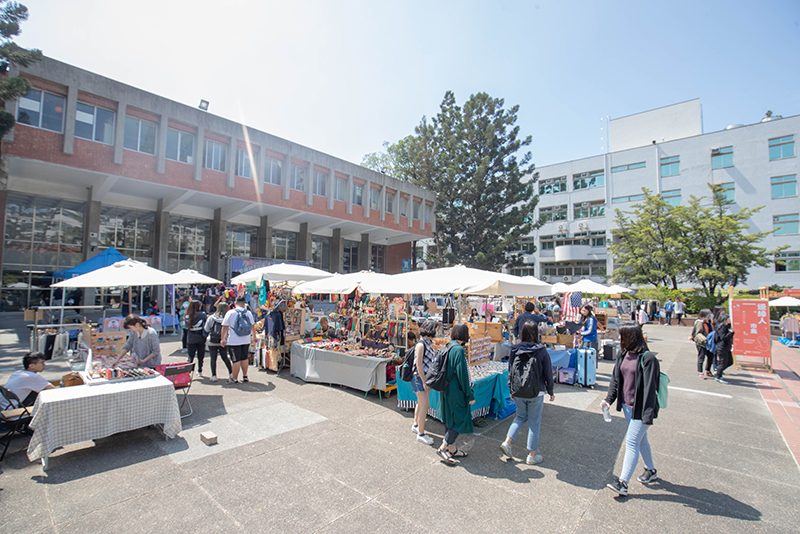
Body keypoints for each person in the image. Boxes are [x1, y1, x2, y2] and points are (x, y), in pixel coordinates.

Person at [602, 322, 660, 496]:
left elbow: (651, 390)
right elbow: (615, 380)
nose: (619, 338)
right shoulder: (623, 354)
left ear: (631, 337)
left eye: (622, 335)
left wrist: (648, 416)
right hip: (627, 407)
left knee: (632, 443)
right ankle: (651, 470)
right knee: (641, 441)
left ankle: (623, 483)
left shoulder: (648, 359)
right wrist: (608, 400)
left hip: (641, 410)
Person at [500, 322, 555, 465]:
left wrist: (511, 388)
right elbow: (548, 372)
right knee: (534, 423)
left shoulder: (514, 349)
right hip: (536, 391)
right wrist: (551, 391)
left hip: (518, 390)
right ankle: (531, 455)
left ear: (522, 333)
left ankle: (507, 443)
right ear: (536, 333)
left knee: (520, 417)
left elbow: (510, 370)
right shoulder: (541, 350)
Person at [437, 323, 475, 465]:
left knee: (451, 419)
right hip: (456, 391)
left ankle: (452, 448)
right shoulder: (458, 349)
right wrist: (469, 394)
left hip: (447, 389)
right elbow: (463, 376)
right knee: (460, 419)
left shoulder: (449, 345)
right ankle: (444, 447)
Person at [411, 318, 438, 446]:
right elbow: (418, 365)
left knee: (421, 404)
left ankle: (416, 425)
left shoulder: (427, 342)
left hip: (424, 378)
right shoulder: (421, 344)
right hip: (420, 378)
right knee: (425, 406)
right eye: (436, 329)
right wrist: (424, 382)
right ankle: (421, 434)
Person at [221, 296, 256, 384]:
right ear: (244, 304)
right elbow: (252, 326)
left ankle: (235, 379)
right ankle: (245, 375)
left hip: (234, 340)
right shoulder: (248, 313)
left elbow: (224, 327)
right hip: (246, 339)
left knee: (236, 360)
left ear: (235, 303)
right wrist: (254, 336)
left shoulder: (230, 313)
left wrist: (222, 339)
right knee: (244, 358)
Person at [204, 302, 233, 382]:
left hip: (212, 340)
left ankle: (214, 375)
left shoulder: (211, 317)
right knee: (225, 357)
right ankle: (231, 374)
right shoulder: (228, 318)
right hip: (223, 340)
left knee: (213, 358)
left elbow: (206, 329)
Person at [185, 300, 208, 378]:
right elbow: (206, 324)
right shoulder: (202, 314)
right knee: (200, 355)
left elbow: (186, 327)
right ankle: (199, 370)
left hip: (191, 338)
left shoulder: (188, 316)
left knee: (190, 356)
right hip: (201, 337)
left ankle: (189, 372)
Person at [691, 309, 714, 379]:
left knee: (710, 356)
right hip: (702, 342)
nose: (710, 316)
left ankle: (708, 370)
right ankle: (700, 371)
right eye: (709, 314)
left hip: (709, 342)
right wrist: (704, 339)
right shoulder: (700, 322)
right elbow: (698, 333)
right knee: (701, 356)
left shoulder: (710, 322)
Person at [713, 312, 735, 384]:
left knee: (730, 362)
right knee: (723, 363)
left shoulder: (727, 326)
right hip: (722, 347)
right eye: (728, 318)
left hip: (727, 347)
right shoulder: (721, 327)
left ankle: (718, 371)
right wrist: (730, 333)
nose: (730, 319)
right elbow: (723, 337)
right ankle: (718, 376)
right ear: (724, 319)